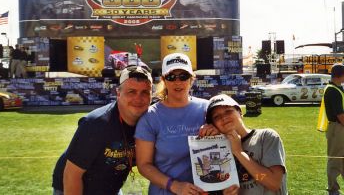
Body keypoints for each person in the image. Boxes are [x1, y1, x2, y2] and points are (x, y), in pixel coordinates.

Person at [63, 65, 153, 195]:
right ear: (118, 93)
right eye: (131, 92)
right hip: (75, 187)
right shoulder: (96, 124)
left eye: (145, 92)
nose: (138, 99)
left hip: (111, 187)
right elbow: (72, 175)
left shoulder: (151, 119)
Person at [135, 53, 209, 195]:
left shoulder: (208, 109)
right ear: (163, 80)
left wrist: (216, 130)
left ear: (191, 79)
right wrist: (174, 185)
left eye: (183, 76)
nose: (177, 82)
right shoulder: (151, 117)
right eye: (171, 77)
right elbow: (144, 165)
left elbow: (232, 141)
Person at [205, 94, 287, 195]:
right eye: (216, 117)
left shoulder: (265, 136)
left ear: (240, 113)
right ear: (213, 124)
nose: (224, 117)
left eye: (228, 111)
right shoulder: (218, 150)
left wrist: (239, 152)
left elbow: (273, 183)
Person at [323, 64, 344, 195]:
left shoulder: (337, 88)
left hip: (339, 127)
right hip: (338, 128)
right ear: (341, 75)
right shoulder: (333, 90)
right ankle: (333, 189)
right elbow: (340, 115)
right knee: (335, 159)